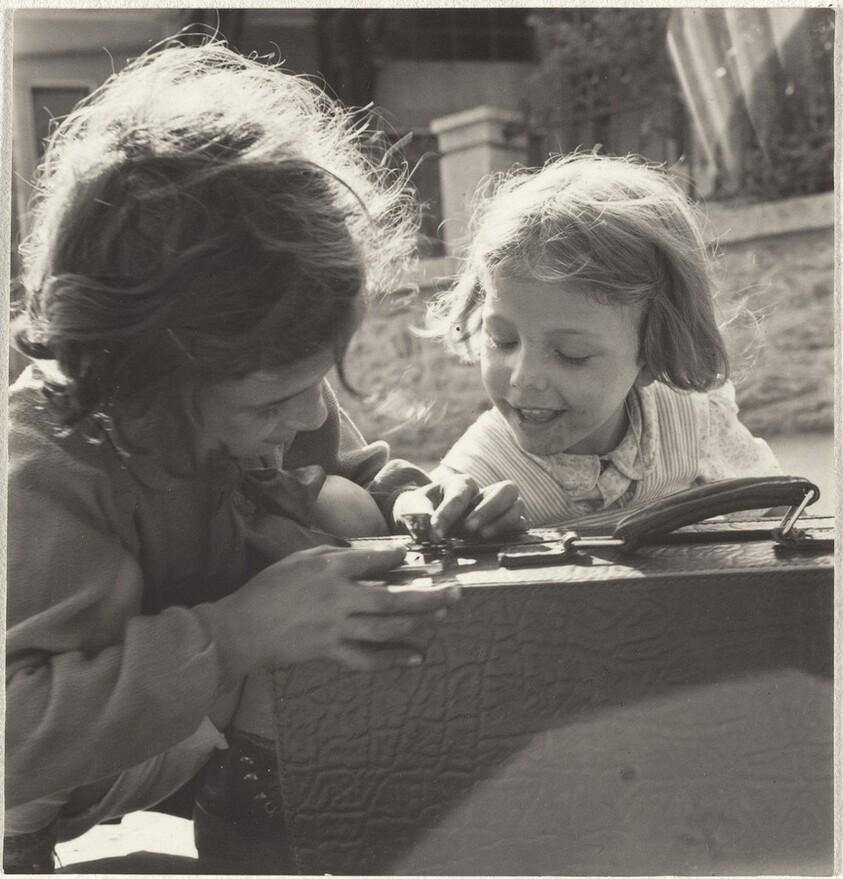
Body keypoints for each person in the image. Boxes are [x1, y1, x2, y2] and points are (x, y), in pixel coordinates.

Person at [4, 41, 522, 873]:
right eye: (270, 402)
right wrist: (240, 629)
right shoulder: (48, 463)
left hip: (180, 727)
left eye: (313, 385)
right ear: (147, 378)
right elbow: (16, 726)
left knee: (321, 558)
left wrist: (421, 502)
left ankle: (261, 835)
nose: (307, 416)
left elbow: (354, 476)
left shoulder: (275, 394)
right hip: (43, 761)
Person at [428, 153, 780, 530]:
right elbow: (431, 527)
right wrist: (446, 516)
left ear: (651, 355)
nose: (524, 378)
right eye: (502, 340)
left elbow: (776, 514)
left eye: (571, 355)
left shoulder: (694, 421)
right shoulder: (482, 471)